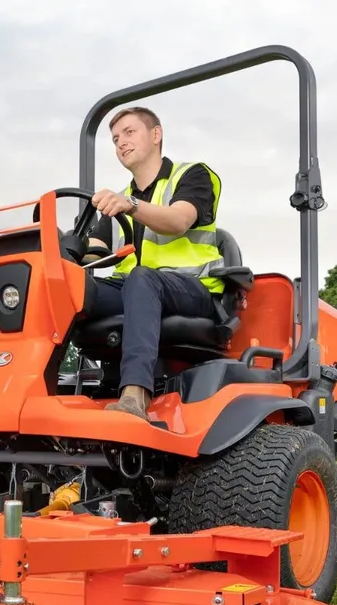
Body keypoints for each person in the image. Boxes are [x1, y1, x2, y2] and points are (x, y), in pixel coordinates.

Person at [80, 106, 226, 419]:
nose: (121, 142)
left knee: (142, 277)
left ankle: (135, 393)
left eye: (129, 132)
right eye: (116, 138)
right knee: (71, 287)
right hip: (134, 289)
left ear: (156, 135)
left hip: (193, 289)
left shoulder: (191, 175)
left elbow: (178, 220)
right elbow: (93, 253)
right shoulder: (118, 199)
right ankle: (25, 388)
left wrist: (130, 206)